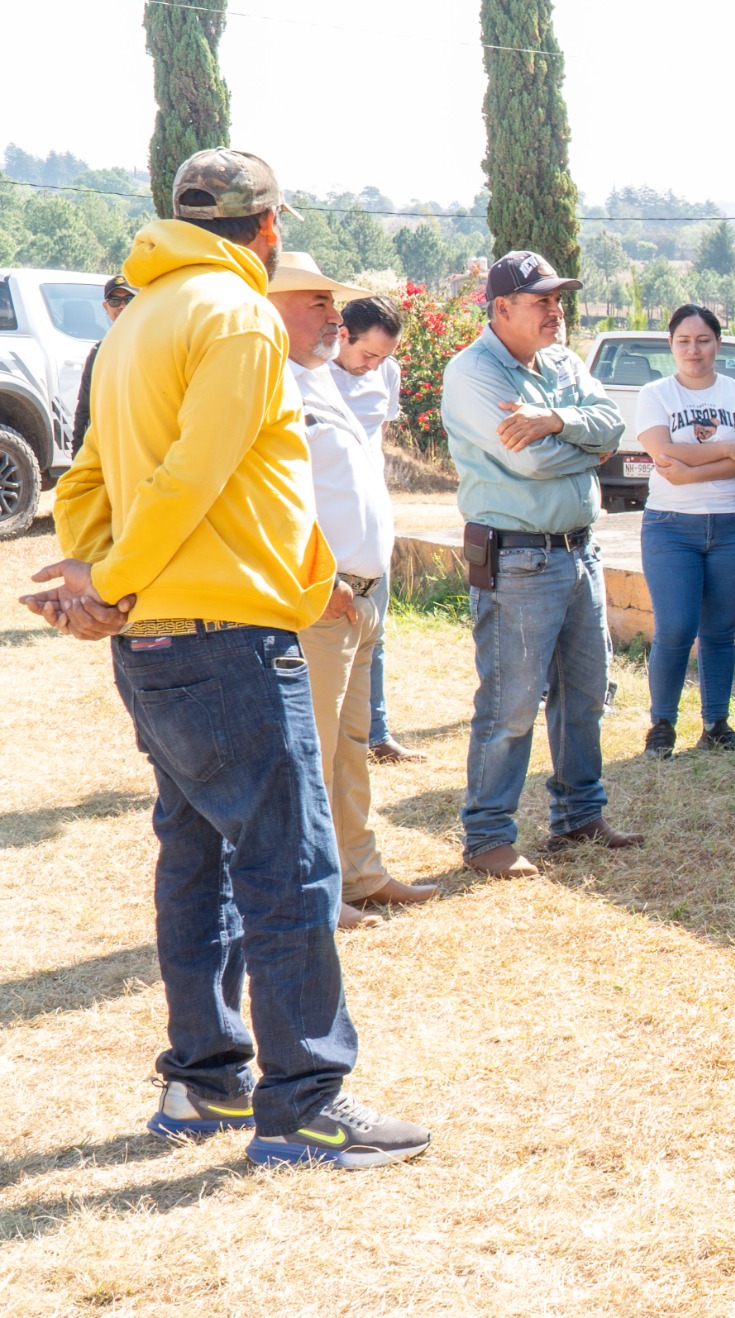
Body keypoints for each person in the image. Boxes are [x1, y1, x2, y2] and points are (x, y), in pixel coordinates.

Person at [23, 147, 429, 1167]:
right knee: (289, 867)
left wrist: (95, 574)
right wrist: (110, 584)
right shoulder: (239, 316)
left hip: (160, 642)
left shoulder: (132, 326)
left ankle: (206, 1084)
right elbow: (195, 477)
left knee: (197, 860)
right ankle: (305, 1102)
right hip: (224, 639)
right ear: (268, 227)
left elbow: (85, 481)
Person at [442, 250, 639, 880]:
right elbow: (531, 463)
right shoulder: (472, 374)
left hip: (579, 549)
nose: (557, 311)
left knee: (584, 696)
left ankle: (579, 815)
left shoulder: (562, 362)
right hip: (518, 559)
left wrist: (556, 420)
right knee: (511, 705)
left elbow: (615, 425)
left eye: (560, 299)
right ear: (502, 309)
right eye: (543, 301)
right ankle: (488, 837)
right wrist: (588, 451)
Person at [268, 255, 439, 930]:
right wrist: (320, 584)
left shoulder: (321, 377)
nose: (333, 316)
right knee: (309, 753)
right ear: (272, 304)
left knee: (349, 747)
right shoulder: (271, 380)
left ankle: (358, 875)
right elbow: (272, 502)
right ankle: (313, 894)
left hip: (361, 596)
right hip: (322, 599)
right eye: (317, 303)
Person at [633, 304, 735, 759]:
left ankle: (716, 724)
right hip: (671, 529)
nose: (694, 349)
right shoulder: (655, 394)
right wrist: (729, 448)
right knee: (674, 628)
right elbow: (661, 455)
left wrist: (686, 463)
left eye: (703, 340)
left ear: (718, 343)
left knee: (720, 631)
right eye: (684, 341)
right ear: (671, 345)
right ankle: (662, 725)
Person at [330, 295, 425, 766]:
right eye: (368, 354)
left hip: (372, 518)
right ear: (342, 334)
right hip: (328, 522)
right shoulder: (310, 374)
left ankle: (377, 733)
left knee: (375, 629)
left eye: (384, 358)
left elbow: (377, 442)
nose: (374, 366)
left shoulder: (385, 373)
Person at [69, 272, 134, 454]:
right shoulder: (99, 352)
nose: (121, 306)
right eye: (115, 301)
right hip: (110, 446)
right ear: (105, 307)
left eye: (128, 300)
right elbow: (85, 406)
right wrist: (78, 452)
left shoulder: (152, 345)